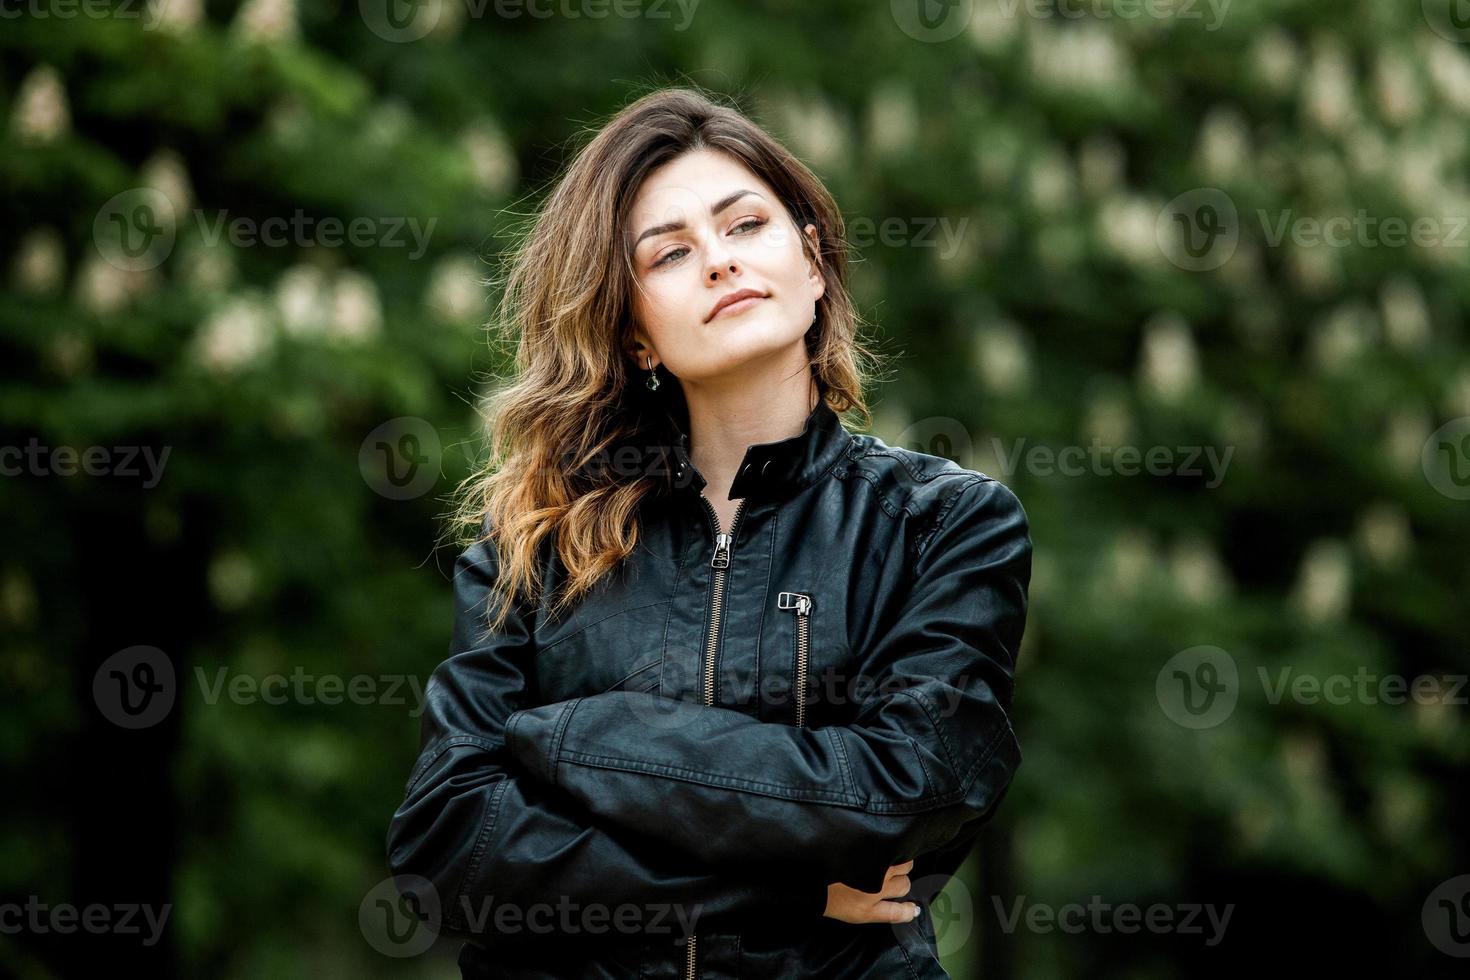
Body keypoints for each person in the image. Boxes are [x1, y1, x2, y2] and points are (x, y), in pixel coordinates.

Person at [385, 85, 1032, 979]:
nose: (720, 263)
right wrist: (785, 889)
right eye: (672, 253)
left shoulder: (946, 525)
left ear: (814, 264)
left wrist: (578, 737)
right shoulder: (534, 545)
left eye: (745, 226)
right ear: (635, 332)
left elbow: (904, 795)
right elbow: (448, 843)